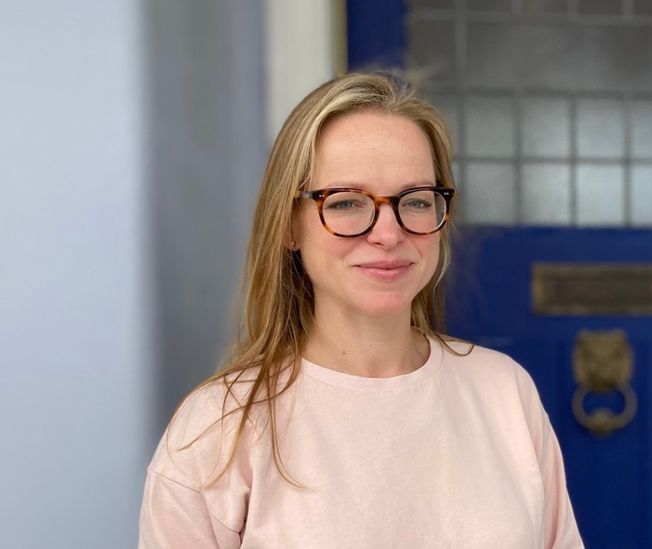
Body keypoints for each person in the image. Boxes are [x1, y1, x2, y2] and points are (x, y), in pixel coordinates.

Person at [138, 72, 583, 548]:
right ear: (289, 227)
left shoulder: (504, 391)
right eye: (347, 202)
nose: (388, 234)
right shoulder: (218, 428)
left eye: (414, 201)